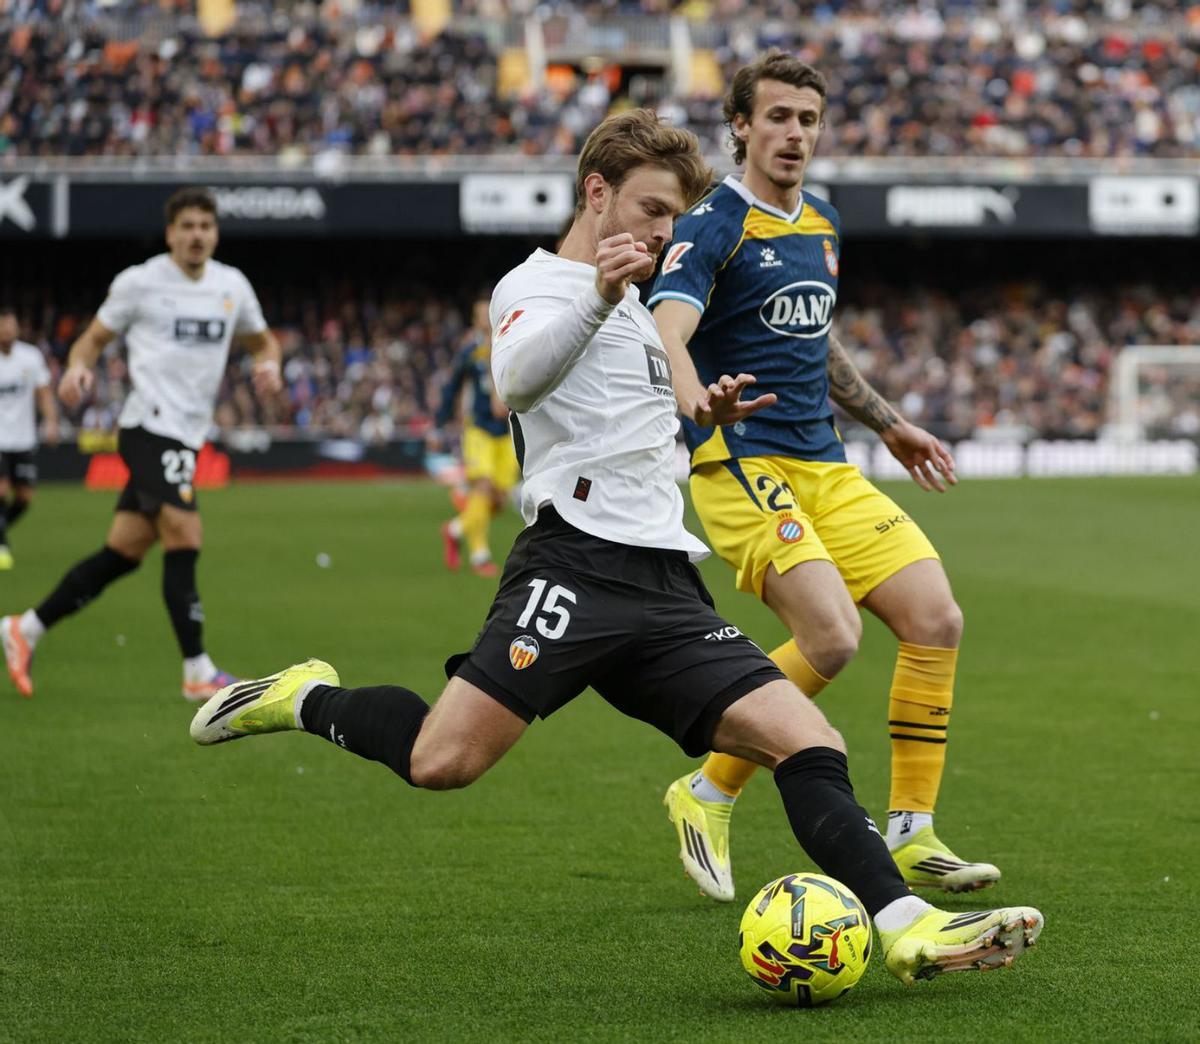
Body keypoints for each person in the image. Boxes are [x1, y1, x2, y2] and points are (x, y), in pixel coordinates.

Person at [189, 110, 1041, 985]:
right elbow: (516, 381)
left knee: (808, 739)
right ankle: (304, 698)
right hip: (574, 566)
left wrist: (702, 411)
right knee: (441, 762)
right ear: (597, 193)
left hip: (664, 582)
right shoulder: (540, 286)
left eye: (673, 217)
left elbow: (638, 419)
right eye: (651, 208)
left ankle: (905, 927)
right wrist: (599, 294)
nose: (664, 231)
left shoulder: (634, 307)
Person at [648, 52, 997, 902]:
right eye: (777, 117)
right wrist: (697, 402)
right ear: (741, 125)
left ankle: (914, 832)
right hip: (741, 461)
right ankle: (707, 789)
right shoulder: (714, 222)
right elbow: (670, 321)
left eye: (807, 119)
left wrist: (890, 421)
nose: (794, 134)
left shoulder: (822, 223)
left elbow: (818, 340)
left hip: (826, 463)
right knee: (833, 639)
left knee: (935, 617)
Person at [1, 187, 283, 701]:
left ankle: (26, 629)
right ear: (170, 232)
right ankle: (198, 670)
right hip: (148, 427)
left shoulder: (232, 286)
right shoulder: (140, 282)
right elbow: (90, 341)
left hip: (188, 435)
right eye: (187, 226)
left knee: (124, 550)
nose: (197, 235)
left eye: (205, 226)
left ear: (215, 233)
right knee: (185, 533)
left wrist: (269, 365)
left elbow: (263, 341)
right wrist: (79, 371)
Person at [435, 296, 520, 578]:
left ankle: (455, 529)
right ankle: (480, 555)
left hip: (505, 433)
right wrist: (438, 425)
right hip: (479, 430)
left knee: (497, 499)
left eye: (489, 313)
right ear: (474, 320)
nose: (486, 318)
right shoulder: (470, 352)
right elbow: (452, 388)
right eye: (481, 314)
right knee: (483, 488)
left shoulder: (510, 343)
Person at [0, 305, 58, 570]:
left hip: (23, 439)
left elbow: (43, 392)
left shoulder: (30, 357)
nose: (7, 329)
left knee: (24, 498)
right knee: (1, 489)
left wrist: (51, 420)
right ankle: (2, 545)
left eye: (10, 324)